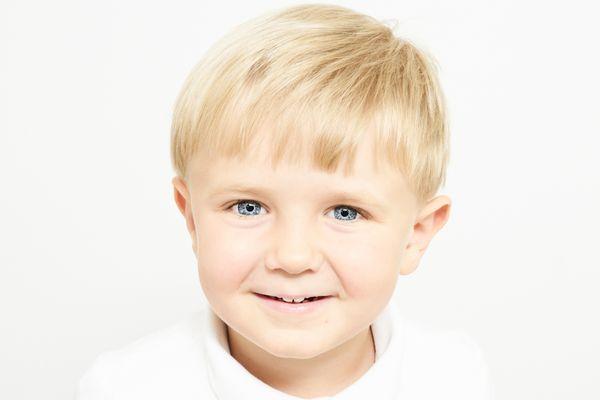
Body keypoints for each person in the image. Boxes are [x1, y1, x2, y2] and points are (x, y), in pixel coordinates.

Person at [75, 3, 493, 399]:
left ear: (415, 236)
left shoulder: (453, 378)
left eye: (345, 212)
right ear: (191, 219)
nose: (293, 257)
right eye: (248, 207)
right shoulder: (125, 389)